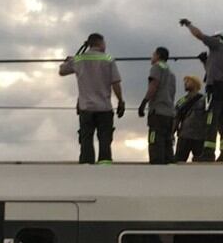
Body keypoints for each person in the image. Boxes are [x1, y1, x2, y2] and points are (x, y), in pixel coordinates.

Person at [59, 33, 125, 164]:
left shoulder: (78, 60)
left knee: (86, 139)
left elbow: (62, 71)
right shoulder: (109, 59)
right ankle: (104, 165)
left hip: (86, 108)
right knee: (105, 140)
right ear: (100, 43)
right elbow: (115, 83)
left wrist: (70, 60)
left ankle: (86, 166)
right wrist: (121, 101)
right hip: (104, 107)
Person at [179, 18, 223, 162]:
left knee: (211, 121)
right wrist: (205, 62)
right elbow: (215, 72)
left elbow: (200, 36)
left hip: (215, 90)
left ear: (218, 39)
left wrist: (188, 24)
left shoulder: (217, 45)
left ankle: (208, 153)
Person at [138, 47, 176, 164]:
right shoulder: (171, 73)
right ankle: (168, 164)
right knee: (167, 141)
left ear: (158, 56)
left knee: (155, 140)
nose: (152, 57)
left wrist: (144, 102)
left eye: (153, 54)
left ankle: (156, 165)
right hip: (169, 113)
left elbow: (154, 85)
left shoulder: (156, 67)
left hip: (157, 112)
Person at [173, 76, 206, 163]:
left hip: (200, 137)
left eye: (188, 81)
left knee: (200, 164)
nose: (185, 83)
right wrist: (171, 133)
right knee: (178, 162)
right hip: (184, 136)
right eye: (185, 81)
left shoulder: (204, 100)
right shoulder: (181, 101)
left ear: (195, 84)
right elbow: (176, 118)